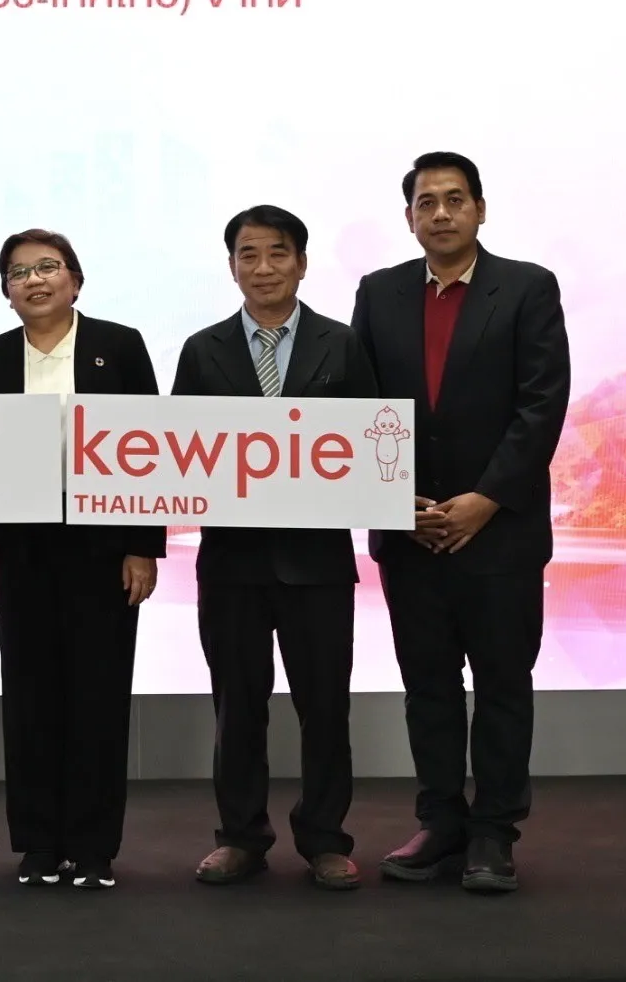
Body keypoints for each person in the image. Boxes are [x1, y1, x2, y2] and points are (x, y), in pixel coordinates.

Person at [352, 153, 570, 893]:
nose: (440, 213)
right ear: (408, 216)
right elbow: (360, 408)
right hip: (409, 532)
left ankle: (494, 832)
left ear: (480, 209)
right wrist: (395, 502)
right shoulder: (378, 293)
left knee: (503, 683)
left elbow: (541, 404)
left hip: (500, 532)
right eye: (426, 202)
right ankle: (440, 822)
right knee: (429, 686)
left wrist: (486, 498)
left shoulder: (528, 287)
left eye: (454, 199)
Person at [171, 205, 378, 891]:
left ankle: (325, 839)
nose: (263, 268)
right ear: (232, 266)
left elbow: (374, 445)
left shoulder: (342, 344)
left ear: (302, 262)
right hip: (231, 564)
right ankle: (241, 837)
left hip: (317, 565)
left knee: (326, 708)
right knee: (237, 708)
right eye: (248, 255)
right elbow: (178, 455)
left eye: (277, 253)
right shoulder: (202, 350)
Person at [0, 229, 161, 891]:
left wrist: (142, 545)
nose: (35, 280)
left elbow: (151, 449)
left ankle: (94, 845)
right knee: (30, 696)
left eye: (48, 267)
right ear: (6, 291)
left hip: (104, 551)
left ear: (75, 280)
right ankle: (39, 843)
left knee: (99, 696)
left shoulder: (119, 347)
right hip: (23, 550)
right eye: (19, 272)